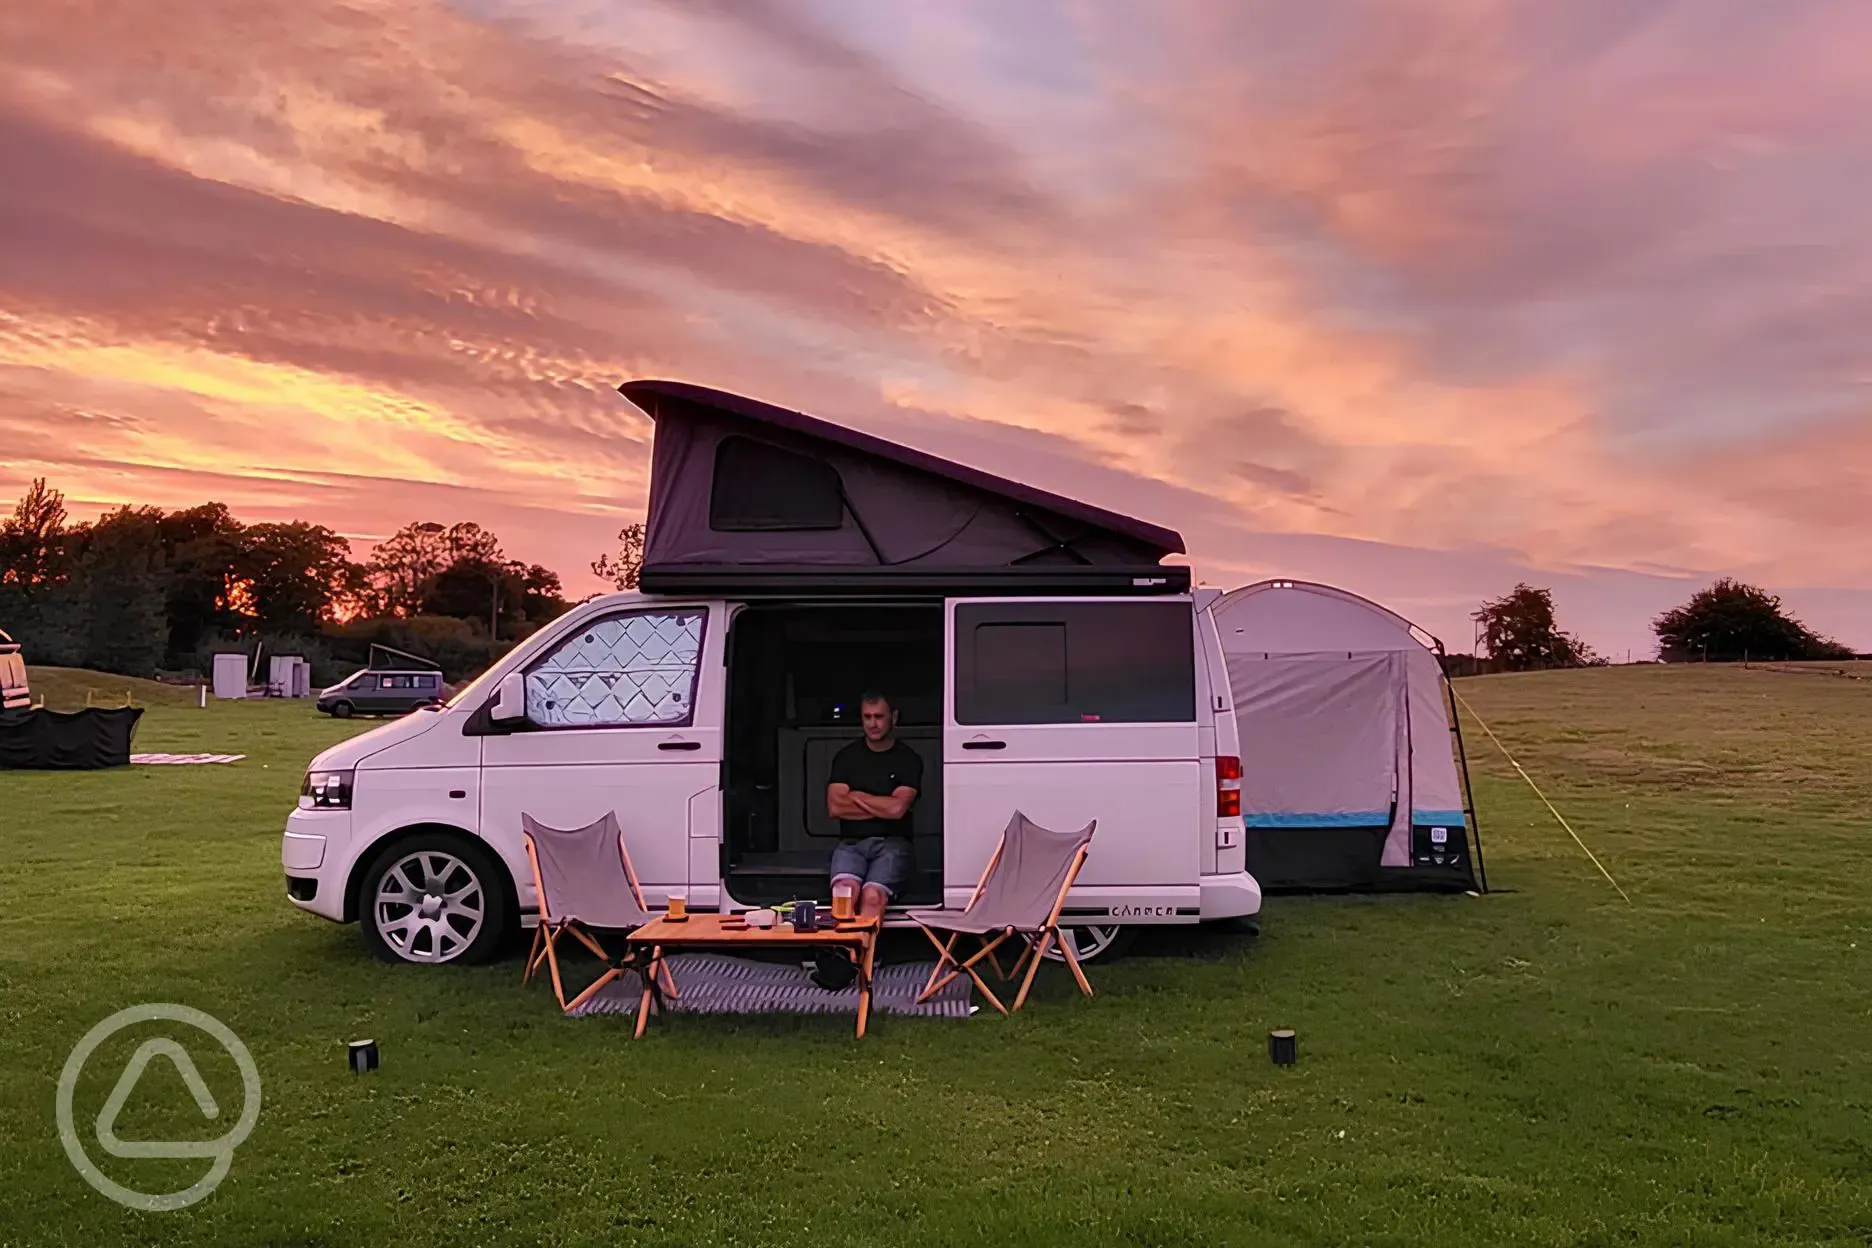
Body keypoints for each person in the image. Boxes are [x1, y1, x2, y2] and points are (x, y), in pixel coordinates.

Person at [812, 691, 921, 989]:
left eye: (879, 717)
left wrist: (857, 796)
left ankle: (857, 962)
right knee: (844, 894)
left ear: (893, 718)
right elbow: (835, 807)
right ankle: (846, 961)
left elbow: (897, 810)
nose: (873, 724)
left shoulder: (908, 758)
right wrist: (879, 805)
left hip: (893, 844)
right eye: (867, 717)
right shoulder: (846, 757)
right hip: (851, 843)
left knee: (873, 896)